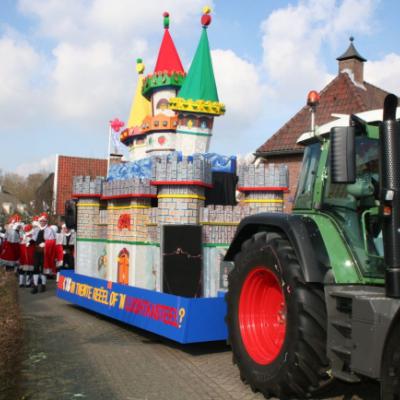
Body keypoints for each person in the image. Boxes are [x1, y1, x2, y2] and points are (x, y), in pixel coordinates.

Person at [31, 212, 56, 294]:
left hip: (45, 252)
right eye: (41, 221)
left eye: (44, 221)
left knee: (43, 268)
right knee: (35, 268)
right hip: (36, 251)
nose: (42, 222)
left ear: (46, 222)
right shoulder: (36, 229)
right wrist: (29, 242)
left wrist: (45, 243)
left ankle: (43, 285)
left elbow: (52, 241)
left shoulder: (49, 230)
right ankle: (35, 286)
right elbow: (33, 239)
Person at [19, 223, 35, 287]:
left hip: (24, 254)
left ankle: (21, 283)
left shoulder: (23, 236)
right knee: (28, 270)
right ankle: (26, 283)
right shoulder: (32, 236)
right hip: (27, 255)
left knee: (23, 270)